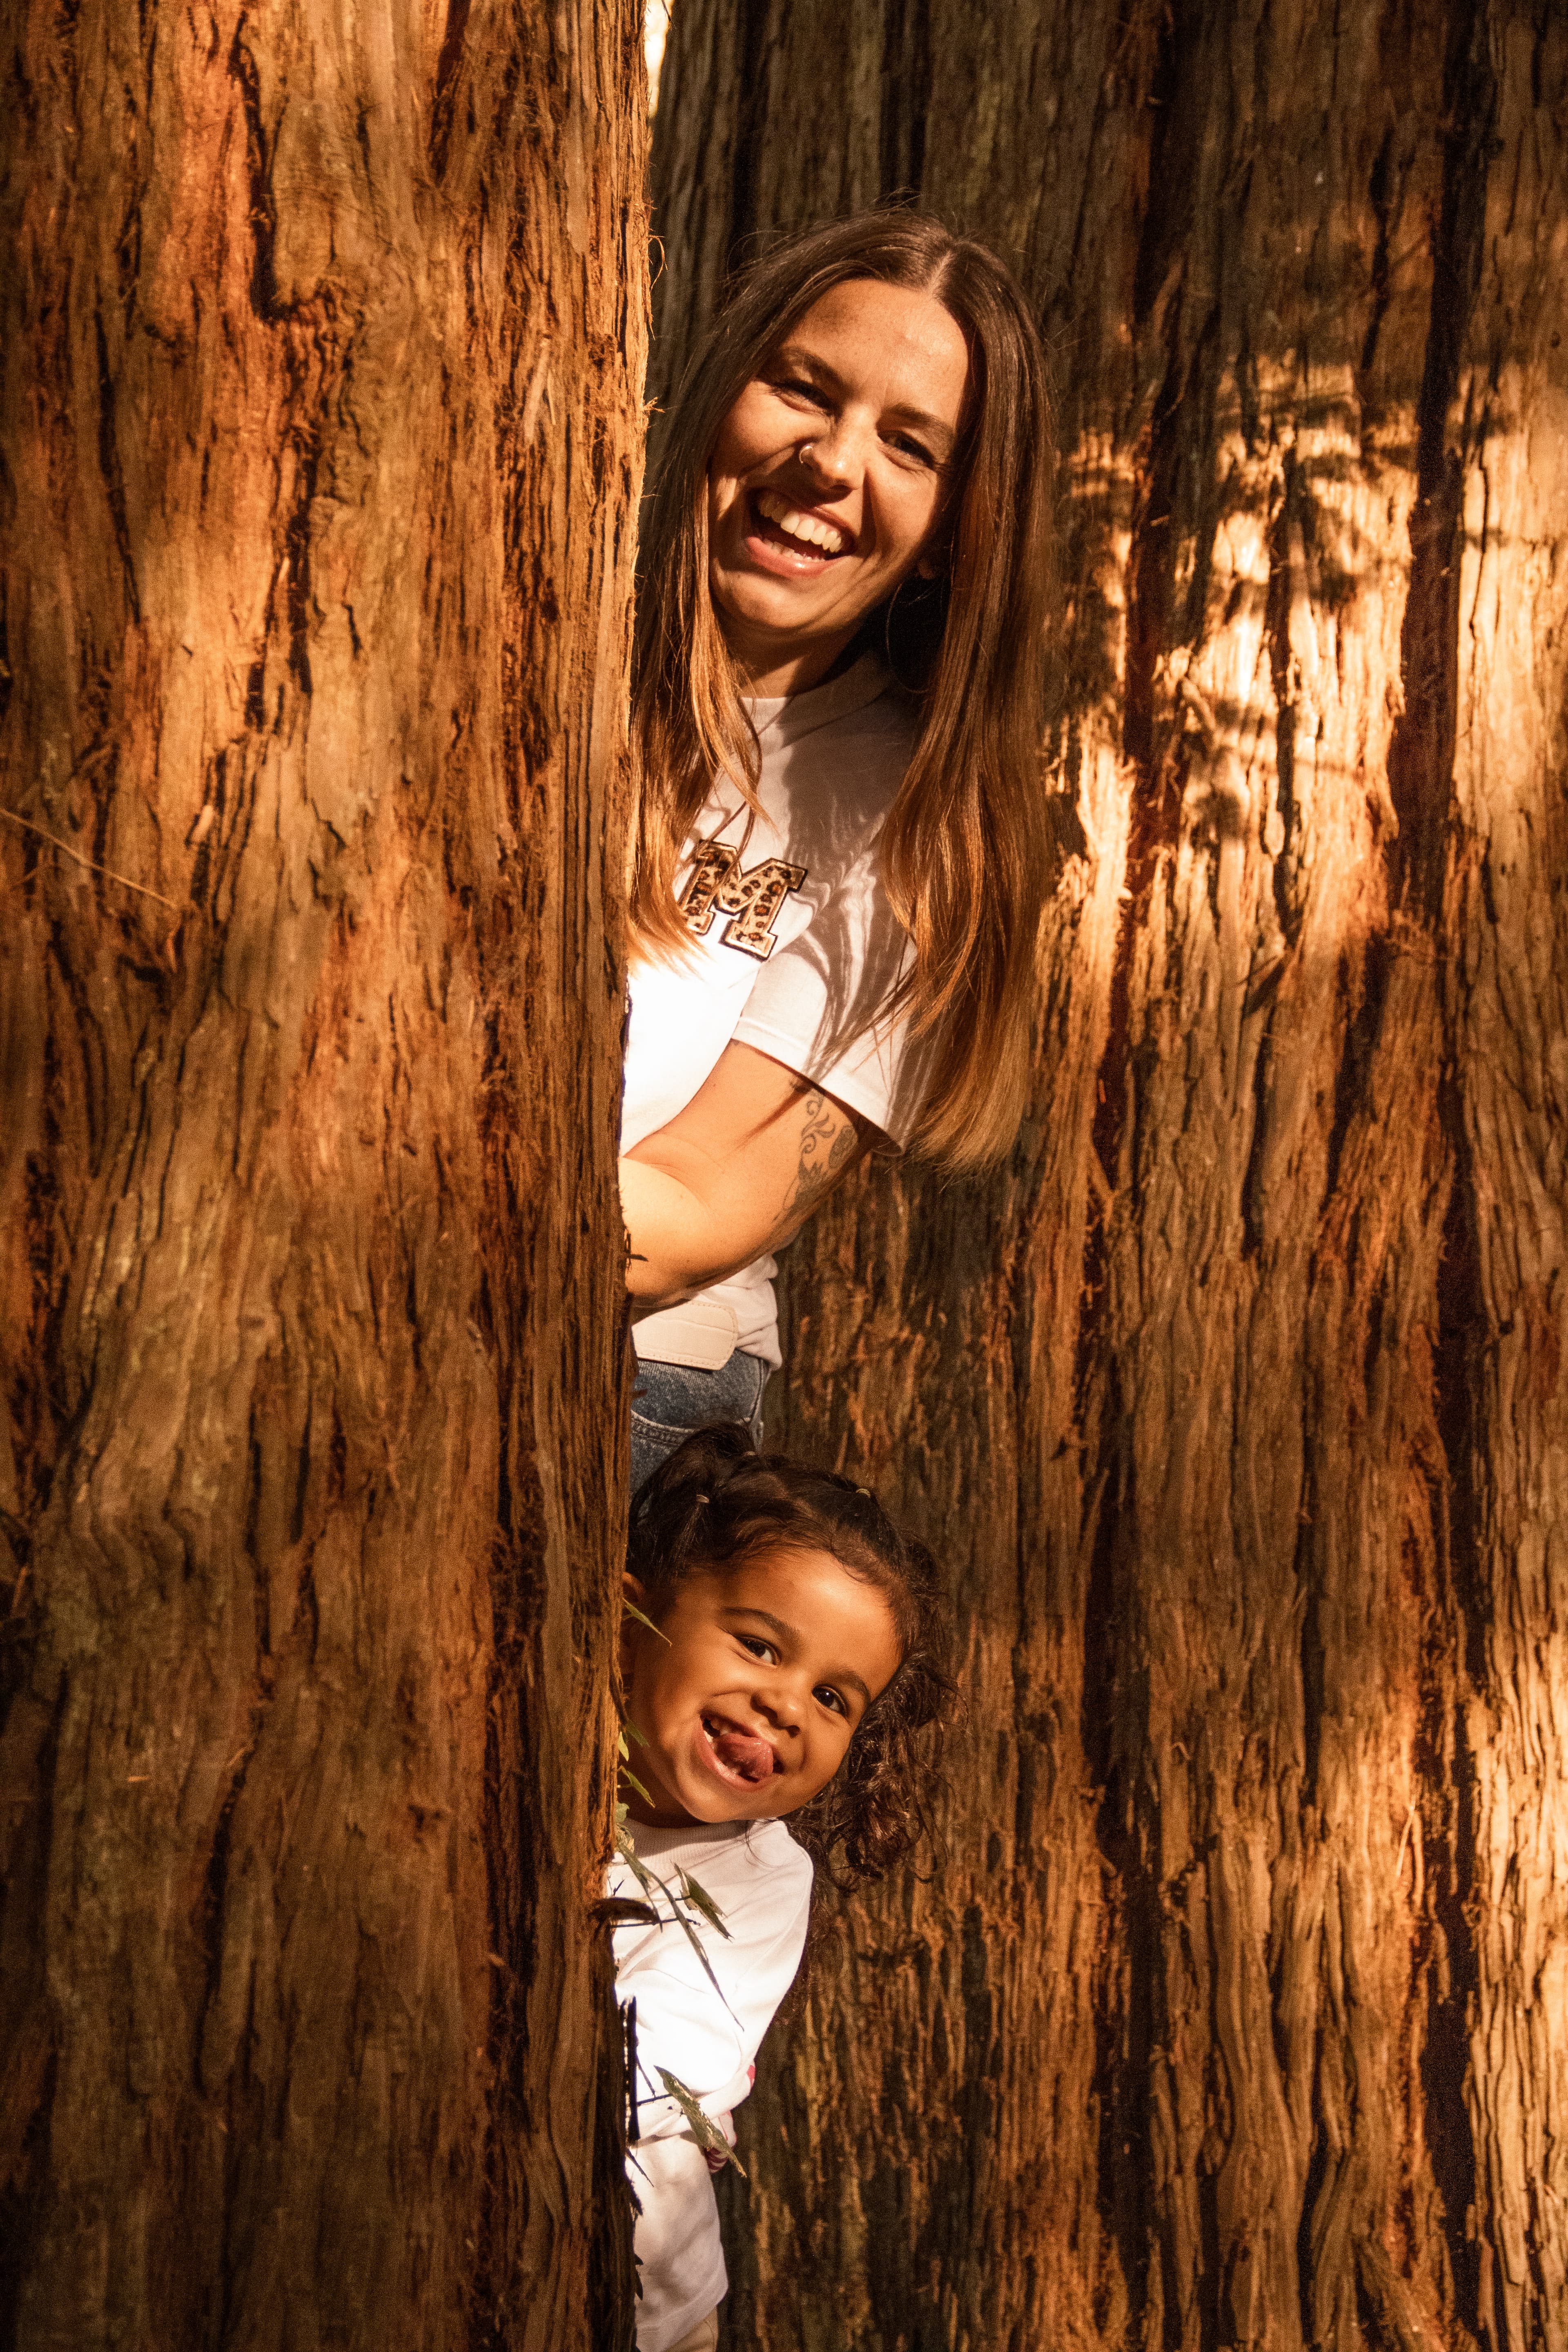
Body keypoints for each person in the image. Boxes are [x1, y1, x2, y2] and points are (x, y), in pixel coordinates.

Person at [621, 209, 1056, 1489]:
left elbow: (700, 1211)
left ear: (956, 532)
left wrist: (391, 1195)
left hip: (632, 1363)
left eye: (908, 445)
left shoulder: (916, 826)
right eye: (802, 389)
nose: (831, 463)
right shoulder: (522, 632)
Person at [608, 1423, 953, 2352]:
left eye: (836, 1698)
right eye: (760, 1646)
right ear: (629, 1624)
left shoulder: (763, 1877)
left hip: (653, 2315)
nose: (788, 1705)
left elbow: (639, 2064)